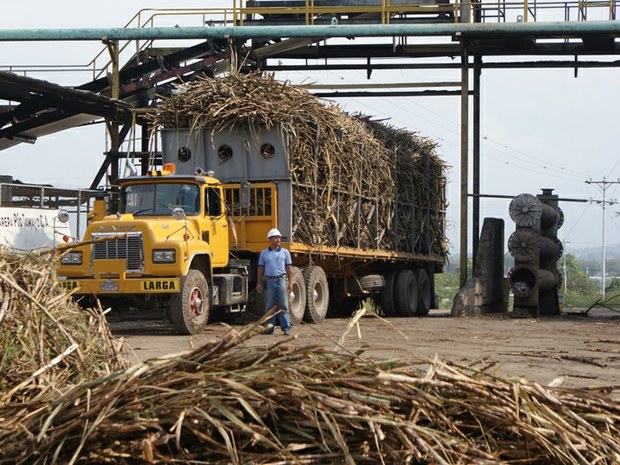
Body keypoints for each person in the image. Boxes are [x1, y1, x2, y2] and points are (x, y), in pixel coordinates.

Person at [256, 228, 294, 335]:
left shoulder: (285, 252)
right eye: (275, 238)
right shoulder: (264, 253)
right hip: (269, 281)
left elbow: (289, 269)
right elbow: (260, 268)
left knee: (283, 305)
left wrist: (290, 283)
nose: (278, 240)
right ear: (270, 239)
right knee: (269, 305)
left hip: (281, 280)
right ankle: (269, 328)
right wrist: (258, 282)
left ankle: (286, 327)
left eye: (279, 238)